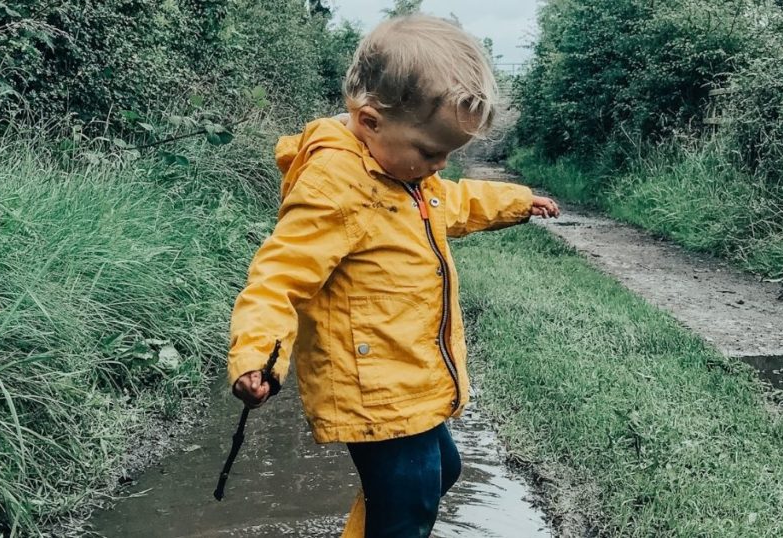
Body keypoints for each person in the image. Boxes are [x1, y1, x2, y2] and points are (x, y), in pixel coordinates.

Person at [226, 14, 560, 538]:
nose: (441, 165)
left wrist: (517, 201)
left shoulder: (405, 176)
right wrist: (257, 355)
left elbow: (455, 201)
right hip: (372, 385)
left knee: (439, 473)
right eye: (431, 151)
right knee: (409, 501)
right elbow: (278, 277)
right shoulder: (337, 186)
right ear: (370, 121)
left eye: (450, 153)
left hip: (405, 372)